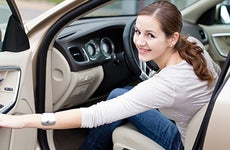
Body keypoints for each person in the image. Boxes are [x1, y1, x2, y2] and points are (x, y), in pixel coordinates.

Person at [0, 1, 220, 150]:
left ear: (172, 38)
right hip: (201, 129)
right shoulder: (192, 45)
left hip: (185, 143)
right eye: (137, 31)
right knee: (118, 92)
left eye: (150, 35)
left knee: (115, 98)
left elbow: (95, 115)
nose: (139, 42)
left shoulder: (166, 85)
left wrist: (21, 120)